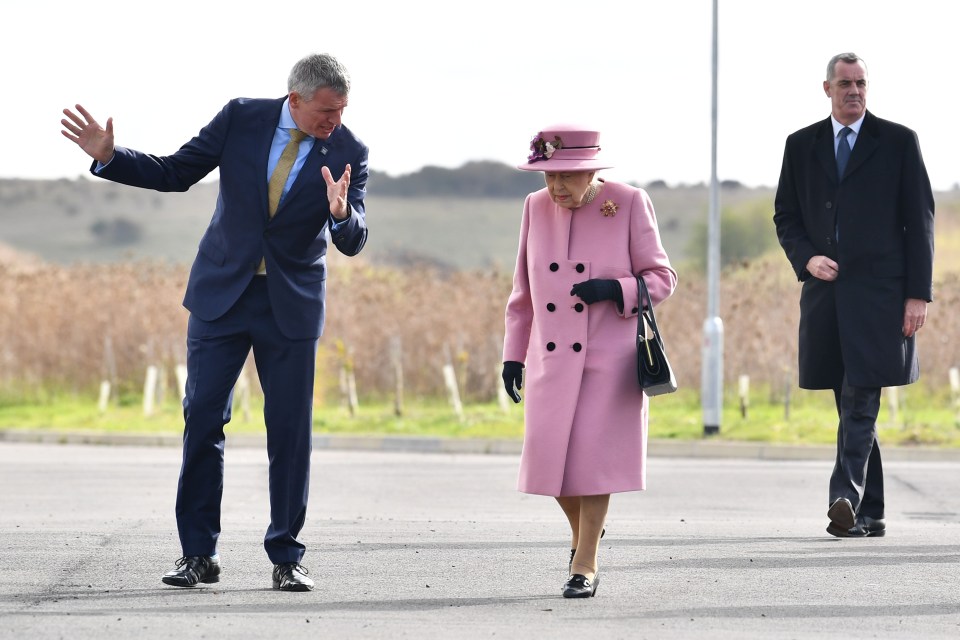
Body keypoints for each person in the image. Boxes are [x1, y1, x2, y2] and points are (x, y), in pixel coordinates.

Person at [60, 53, 369, 591]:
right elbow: (178, 172)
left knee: (290, 433)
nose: (334, 121)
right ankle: (197, 555)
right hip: (221, 297)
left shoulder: (349, 151)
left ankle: (286, 555)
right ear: (294, 99)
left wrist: (341, 214)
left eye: (342, 110)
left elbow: (354, 238)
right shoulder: (241, 117)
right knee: (202, 420)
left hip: (290, 306)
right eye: (326, 110)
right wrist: (112, 158)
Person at [501, 125, 677, 598]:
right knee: (549, 462)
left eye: (567, 176)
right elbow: (522, 293)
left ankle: (585, 564)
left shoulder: (628, 203)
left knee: (593, 462)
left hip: (609, 358)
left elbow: (662, 278)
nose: (556, 187)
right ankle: (587, 533)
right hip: (550, 358)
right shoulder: (534, 208)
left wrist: (615, 289)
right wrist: (513, 355)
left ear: (592, 170)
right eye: (548, 176)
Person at [774, 52, 934, 538]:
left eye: (861, 83)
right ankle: (874, 510)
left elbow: (920, 222)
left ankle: (843, 496)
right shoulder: (801, 145)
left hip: (881, 298)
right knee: (850, 404)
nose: (854, 91)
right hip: (825, 297)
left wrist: (917, 296)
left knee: (861, 396)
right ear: (827, 89)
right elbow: (786, 216)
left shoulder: (899, 142)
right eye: (845, 83)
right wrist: (806, 258)